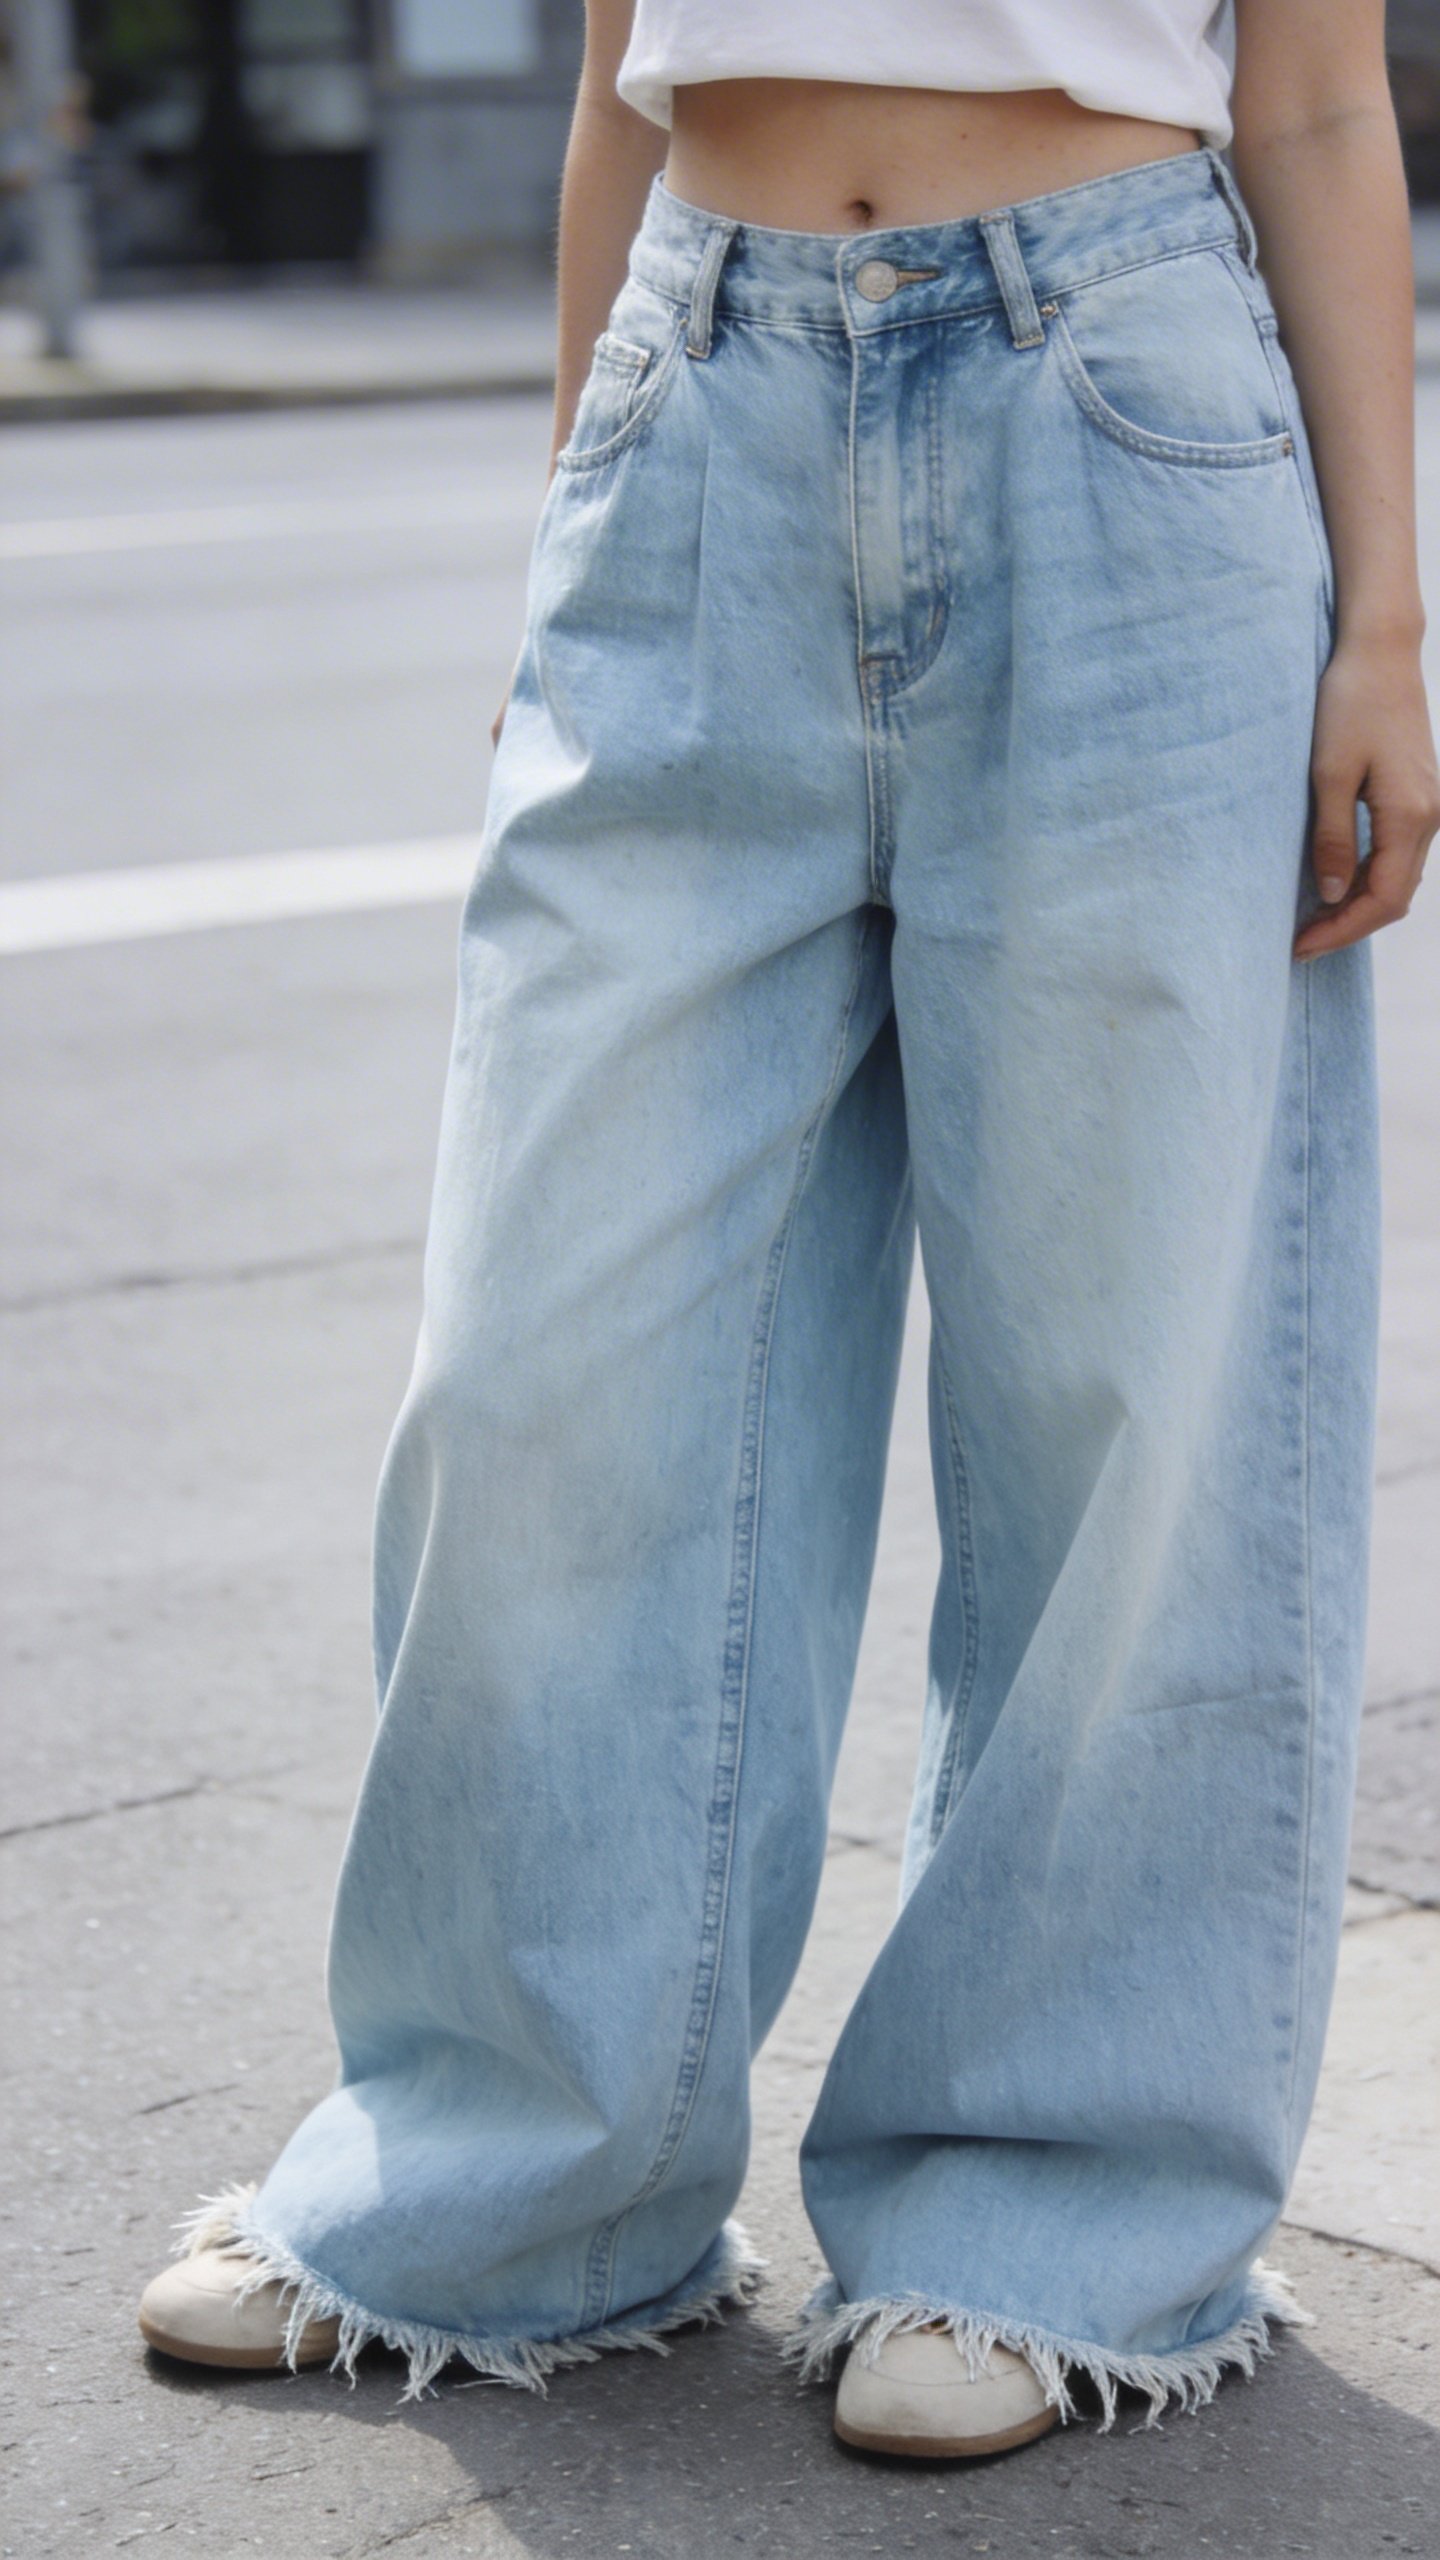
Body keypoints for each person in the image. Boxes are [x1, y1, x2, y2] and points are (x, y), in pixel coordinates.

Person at [137, 0, 1437, 2463]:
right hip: (697, 384)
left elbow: (1318, 91)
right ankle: (517, 2172)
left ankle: (1057, 2204)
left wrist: (1384, 615)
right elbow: (623, 53)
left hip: (1126, 407)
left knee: (1125, 1379)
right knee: (548, 1360)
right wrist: (579, 512)